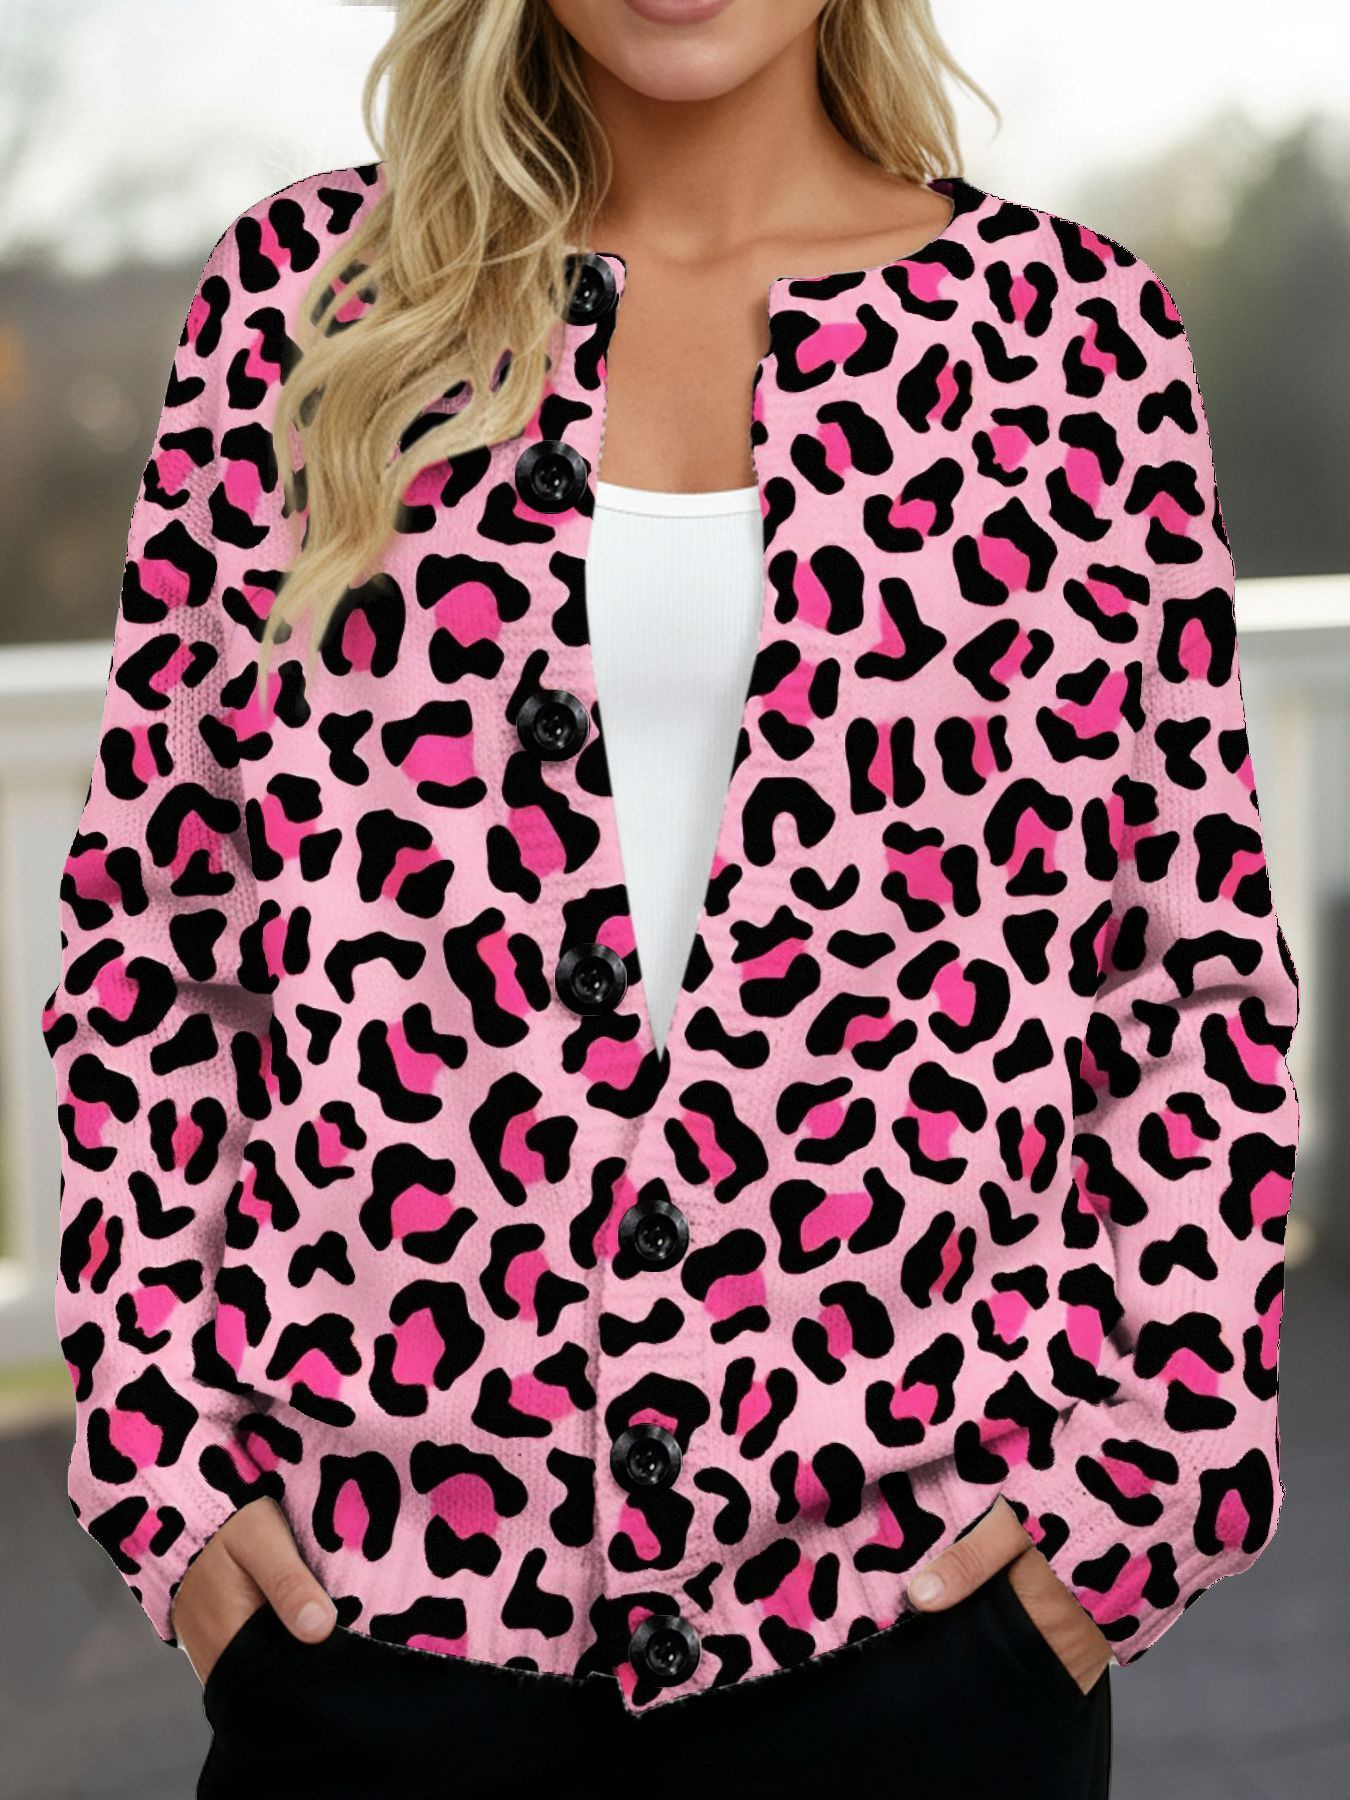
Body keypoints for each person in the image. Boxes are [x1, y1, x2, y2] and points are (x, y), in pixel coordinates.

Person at [41, 2, 1301, 1796]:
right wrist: (164, 1460)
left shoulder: (1069, 342)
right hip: (373, 1620)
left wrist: (1140, 1498)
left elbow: (1190, 983)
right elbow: (154, 945)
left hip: (924, 1618)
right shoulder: (302, 308)